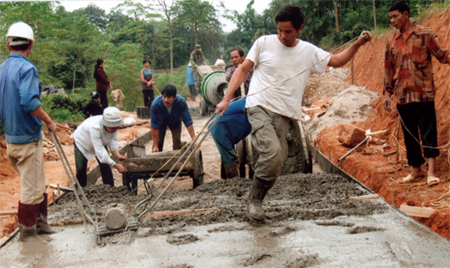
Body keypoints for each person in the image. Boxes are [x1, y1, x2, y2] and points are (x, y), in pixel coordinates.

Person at [215, 4, 372, 221]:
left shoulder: (308, 51)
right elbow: (242, 69)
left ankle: (257, 196)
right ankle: (254, 202)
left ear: (299, 28)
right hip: (258, 106)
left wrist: (359, 43)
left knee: (278, 161)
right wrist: (225, 99)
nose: (282, 36)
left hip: (284, 114)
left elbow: (337, 61)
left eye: (288, 31)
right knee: (271, 153)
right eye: (279, 30)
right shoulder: (263, 43)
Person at [0, 22, 58, 242]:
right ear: (31, 44)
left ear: (8, 44)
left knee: (38, 183)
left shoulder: (2, 69)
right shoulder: (27, 69)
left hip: (12, 140)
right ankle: (28, 233)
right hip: (27, 140)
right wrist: (49, 121)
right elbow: (29, 101)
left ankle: (41, 224)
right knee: (31, 188)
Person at [383, 1, 450, 186]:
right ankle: (415, 170)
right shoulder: (391, 41)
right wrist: (387, 93)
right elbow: (388, 69)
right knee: (409, 133)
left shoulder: (425, 34)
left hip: (424, 92)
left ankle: (431, 171)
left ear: (406, 14)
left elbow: (442, 54)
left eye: (395, 16)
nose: (392, 20)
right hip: (402, 95)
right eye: (390, 18)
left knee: (429, 131)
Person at [74, 107, 127, 187]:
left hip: (100, 143)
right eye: (112, 128)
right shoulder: (95, 127)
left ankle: (110, 188)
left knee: (106, 166)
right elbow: (100, 152)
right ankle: (81, 191)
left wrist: (117, 154)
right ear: (105, 124)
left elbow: (113, 140)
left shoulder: (114, 128)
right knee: (81, 168)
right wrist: (117, 166)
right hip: (83, 143)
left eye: (116, 127)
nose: (114, 130)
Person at [151, 85, 196, 152]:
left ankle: (178, 159)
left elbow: (188, 122)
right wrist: (155, 146)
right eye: (164, 97)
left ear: (174, 97)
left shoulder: (181, 102)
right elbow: (154, 126)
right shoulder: (155, 105)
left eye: (169, 97)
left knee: (177, 139)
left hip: (175, 121)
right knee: (158, 142)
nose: (166, 100)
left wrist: (194, 140)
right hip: (161, 122)